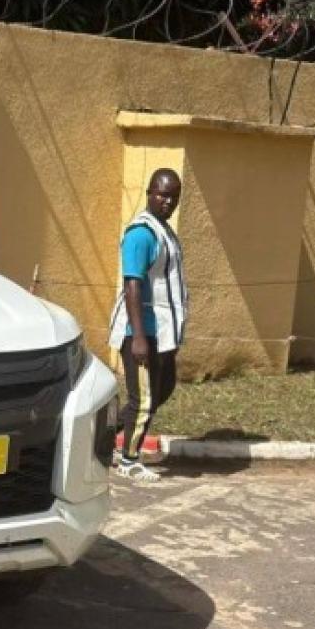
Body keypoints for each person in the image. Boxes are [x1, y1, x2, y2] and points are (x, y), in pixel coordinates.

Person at [108, 168, 188, 483]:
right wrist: (138, 336)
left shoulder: (164, 231)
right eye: (162, 194)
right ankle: (128, 459)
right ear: (149, 194)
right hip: (141, 332)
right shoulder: (142, 234)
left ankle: (109, 436)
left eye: (174, 196)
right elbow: (133, 285)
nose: (168, 201)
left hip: (163, 333)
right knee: (142, 398)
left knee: (162, 388)